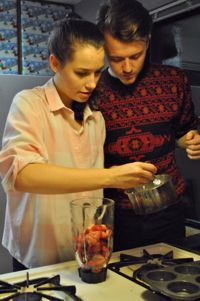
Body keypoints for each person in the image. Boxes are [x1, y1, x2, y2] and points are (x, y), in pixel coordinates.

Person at [0, 18, 157, 271]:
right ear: (55, 63)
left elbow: (89, 191)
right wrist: (110, 177)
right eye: (82, 73)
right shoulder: (29, 104)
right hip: (38, 252)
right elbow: (22, 174)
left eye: (97, 72)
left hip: (83, 249)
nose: (92, 83)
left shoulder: (96, 118)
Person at [94, 0, 200, 251]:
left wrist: (191, 139)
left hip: (169, 209)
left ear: (148, 41)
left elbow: (185, 127)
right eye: (117, 58)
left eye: (135, 56)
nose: (127, 68)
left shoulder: (173, 81)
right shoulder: (91, 89)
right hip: (114, 214)